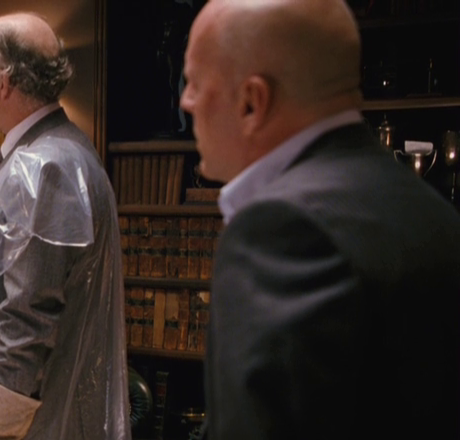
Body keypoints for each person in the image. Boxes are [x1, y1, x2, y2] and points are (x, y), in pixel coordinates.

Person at [180, 1, 460, 439]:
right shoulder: (434, 212)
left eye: (196, 83)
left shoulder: (282, 229)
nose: (186, 101)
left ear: (252, 102)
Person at [0, 12, 130, 440]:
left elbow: (29, 319)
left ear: (4, 81)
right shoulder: (44, 154)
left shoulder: (46, 166)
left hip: (34, 425)